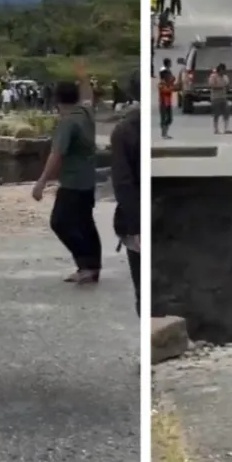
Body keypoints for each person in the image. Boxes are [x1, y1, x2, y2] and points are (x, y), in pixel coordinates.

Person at [32, 64, 101, 284]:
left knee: (60, 222)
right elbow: (89, 95)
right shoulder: (86, 113)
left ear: (56, 100)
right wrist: (84, 78)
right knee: (84, 223)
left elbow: (56, 155)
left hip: (73, 183)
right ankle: (92, 267)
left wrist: (41, 183)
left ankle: (84, 265)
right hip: (88, 181)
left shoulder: (68, 122)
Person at [109, 76, 141, 314]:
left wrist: (135, 226)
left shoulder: (124, 131)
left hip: (136, 223)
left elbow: (123, 183)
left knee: (144, 291)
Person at [209, 64, 232, 135]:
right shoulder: (213, 76)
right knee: (216, 114)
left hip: (223, 97)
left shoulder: (225, 77)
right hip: (215, 97)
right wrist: (221, 86)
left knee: (226, 113)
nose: (224, 72)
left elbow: (227, 85)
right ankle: (216, 129)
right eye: (223, 70)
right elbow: (211, 85)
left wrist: (227, 87)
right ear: (219, 70)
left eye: (224, 70)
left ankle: (226, 129)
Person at [157, 59, 176, 139]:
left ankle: (166, 133)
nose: (170, 77)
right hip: (163, 103)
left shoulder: (168, 83)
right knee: (164, 119)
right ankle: (164, 134)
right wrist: (172, 87)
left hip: (168, 102)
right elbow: (165, 91)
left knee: (170, 119)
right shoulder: (161, 84)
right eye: (168, 76)